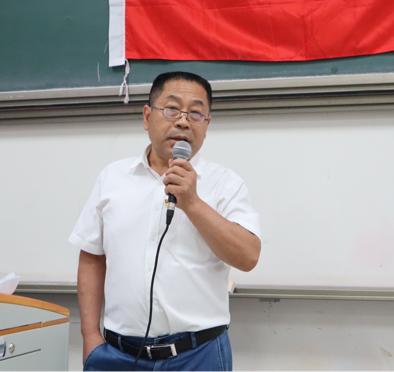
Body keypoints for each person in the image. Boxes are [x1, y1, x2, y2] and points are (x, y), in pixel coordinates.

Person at [69, 71, 262, 371]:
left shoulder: (225, 183)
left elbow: (248, 256)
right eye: (172, 109)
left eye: (196, 113)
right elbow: (92, 257)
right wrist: (89, 336)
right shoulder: (112, 178)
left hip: (198, 355)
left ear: (206, 125)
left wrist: (193, 204)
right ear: (147, 117)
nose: (183, 121)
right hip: (118, 355)